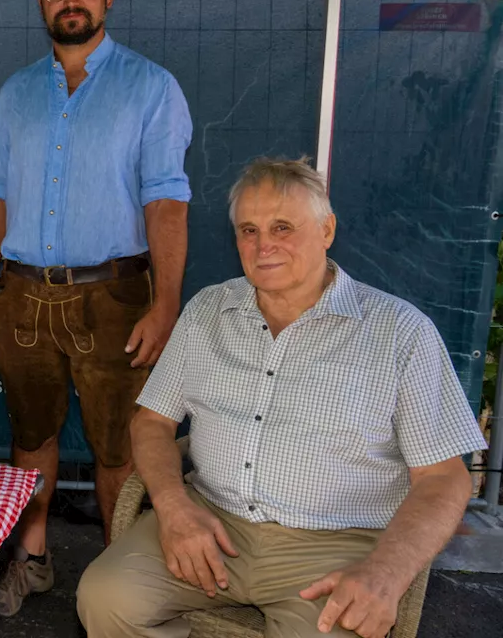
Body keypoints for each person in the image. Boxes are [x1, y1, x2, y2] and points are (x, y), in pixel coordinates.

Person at [77, 159, 487, 638]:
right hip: (209, 520)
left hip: (335, 545)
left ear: (327, 229)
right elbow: (152, 423)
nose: (263, 244)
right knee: (104, 597)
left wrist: (387, 571)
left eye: (283, 227)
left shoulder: (400, 332)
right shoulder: (209, 309)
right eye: (248, 229)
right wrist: (173, 506)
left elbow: (444, 477)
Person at [0, 0, 193, 617]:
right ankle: (31, 561)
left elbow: (166, 201)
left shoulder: (150, 88)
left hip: (116, 298)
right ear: (40, 0)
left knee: (118, 452)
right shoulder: (17, 92)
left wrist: (166, 305)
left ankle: (116, 583)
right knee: (31, 441)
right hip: (25, 296)